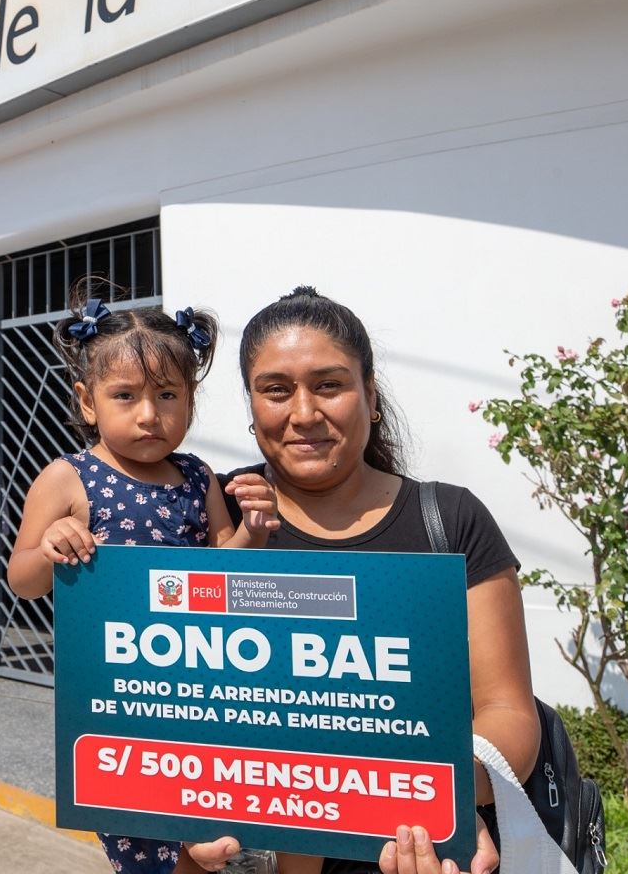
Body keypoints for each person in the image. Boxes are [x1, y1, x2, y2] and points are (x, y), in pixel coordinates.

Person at [217, 288, 528, 874]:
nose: (304, 413)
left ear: (372, 396)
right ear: (252, 405)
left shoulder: (451, 521)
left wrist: (443, 801)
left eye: (329, 385)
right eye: (276, 390)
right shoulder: (212, 515)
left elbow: (505, 710)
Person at [4, 297, 278, 874]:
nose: (149, 415)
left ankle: (198, 838)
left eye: (168, 395)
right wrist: (53, 545)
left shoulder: (198, 477)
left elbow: (225, 567)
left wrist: (253, 532)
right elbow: (22, 580)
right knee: (137, 793)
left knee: (202, 774)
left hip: (196, 672)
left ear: (191, 402)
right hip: (116, 683)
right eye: (125, 396)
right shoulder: (67, 478)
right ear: (87, 403)